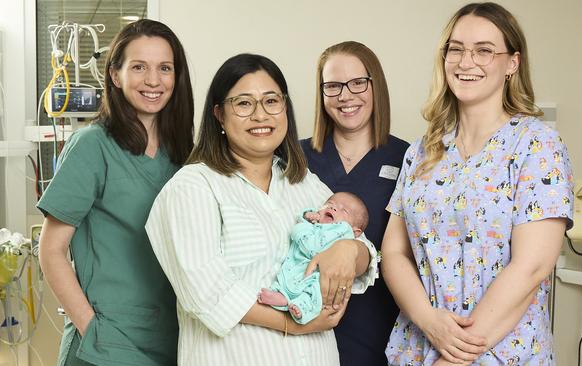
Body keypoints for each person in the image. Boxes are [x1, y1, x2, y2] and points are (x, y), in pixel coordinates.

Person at [145, 53, 378, 366]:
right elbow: (205, 294)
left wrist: (350, 249)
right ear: (219, 114)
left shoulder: (303, 182)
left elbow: (364, 250)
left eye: (271, 101)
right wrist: (292, 325)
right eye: (243, 103)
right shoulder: (193, 187)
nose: (260, 115)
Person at [381, 3, 574, 365]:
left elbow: (532, 266)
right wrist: (429, 321)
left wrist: (453, 359)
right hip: (418, 346)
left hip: (501, 352)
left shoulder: (537, 145)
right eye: (456, 49)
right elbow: (393, 253)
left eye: (484, 50)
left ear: (512, 63)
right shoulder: (423, 151)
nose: (466, 62)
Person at [37, 19, 194, 366]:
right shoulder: (92, 146)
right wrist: (92, 330)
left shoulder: (184, 154)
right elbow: (51, 250)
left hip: (174, 340)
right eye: (139, 67)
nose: (153, 80)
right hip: (106, 347)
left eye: (164, 68)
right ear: (114, 74)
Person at [301, 40, 409, 366]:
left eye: (358, 83)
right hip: (302, 329)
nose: (346, 95)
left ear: (376, 86)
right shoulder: (295, 158)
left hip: (379, 331)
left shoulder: (409, 158)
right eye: (333, 86)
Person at [258, 192, 369, 324]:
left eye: (344, 210)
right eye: (330, 204)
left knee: (316, 291)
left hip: (318, 275)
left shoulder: (342, 232)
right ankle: (283, 298)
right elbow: (306, 223)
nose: (333, 208)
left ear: (355, 232)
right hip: (298, 267)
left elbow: (312, 247)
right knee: (285, 277)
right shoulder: (316, 224)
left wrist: (300, 229)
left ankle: (302, 308)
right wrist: (307, 217)